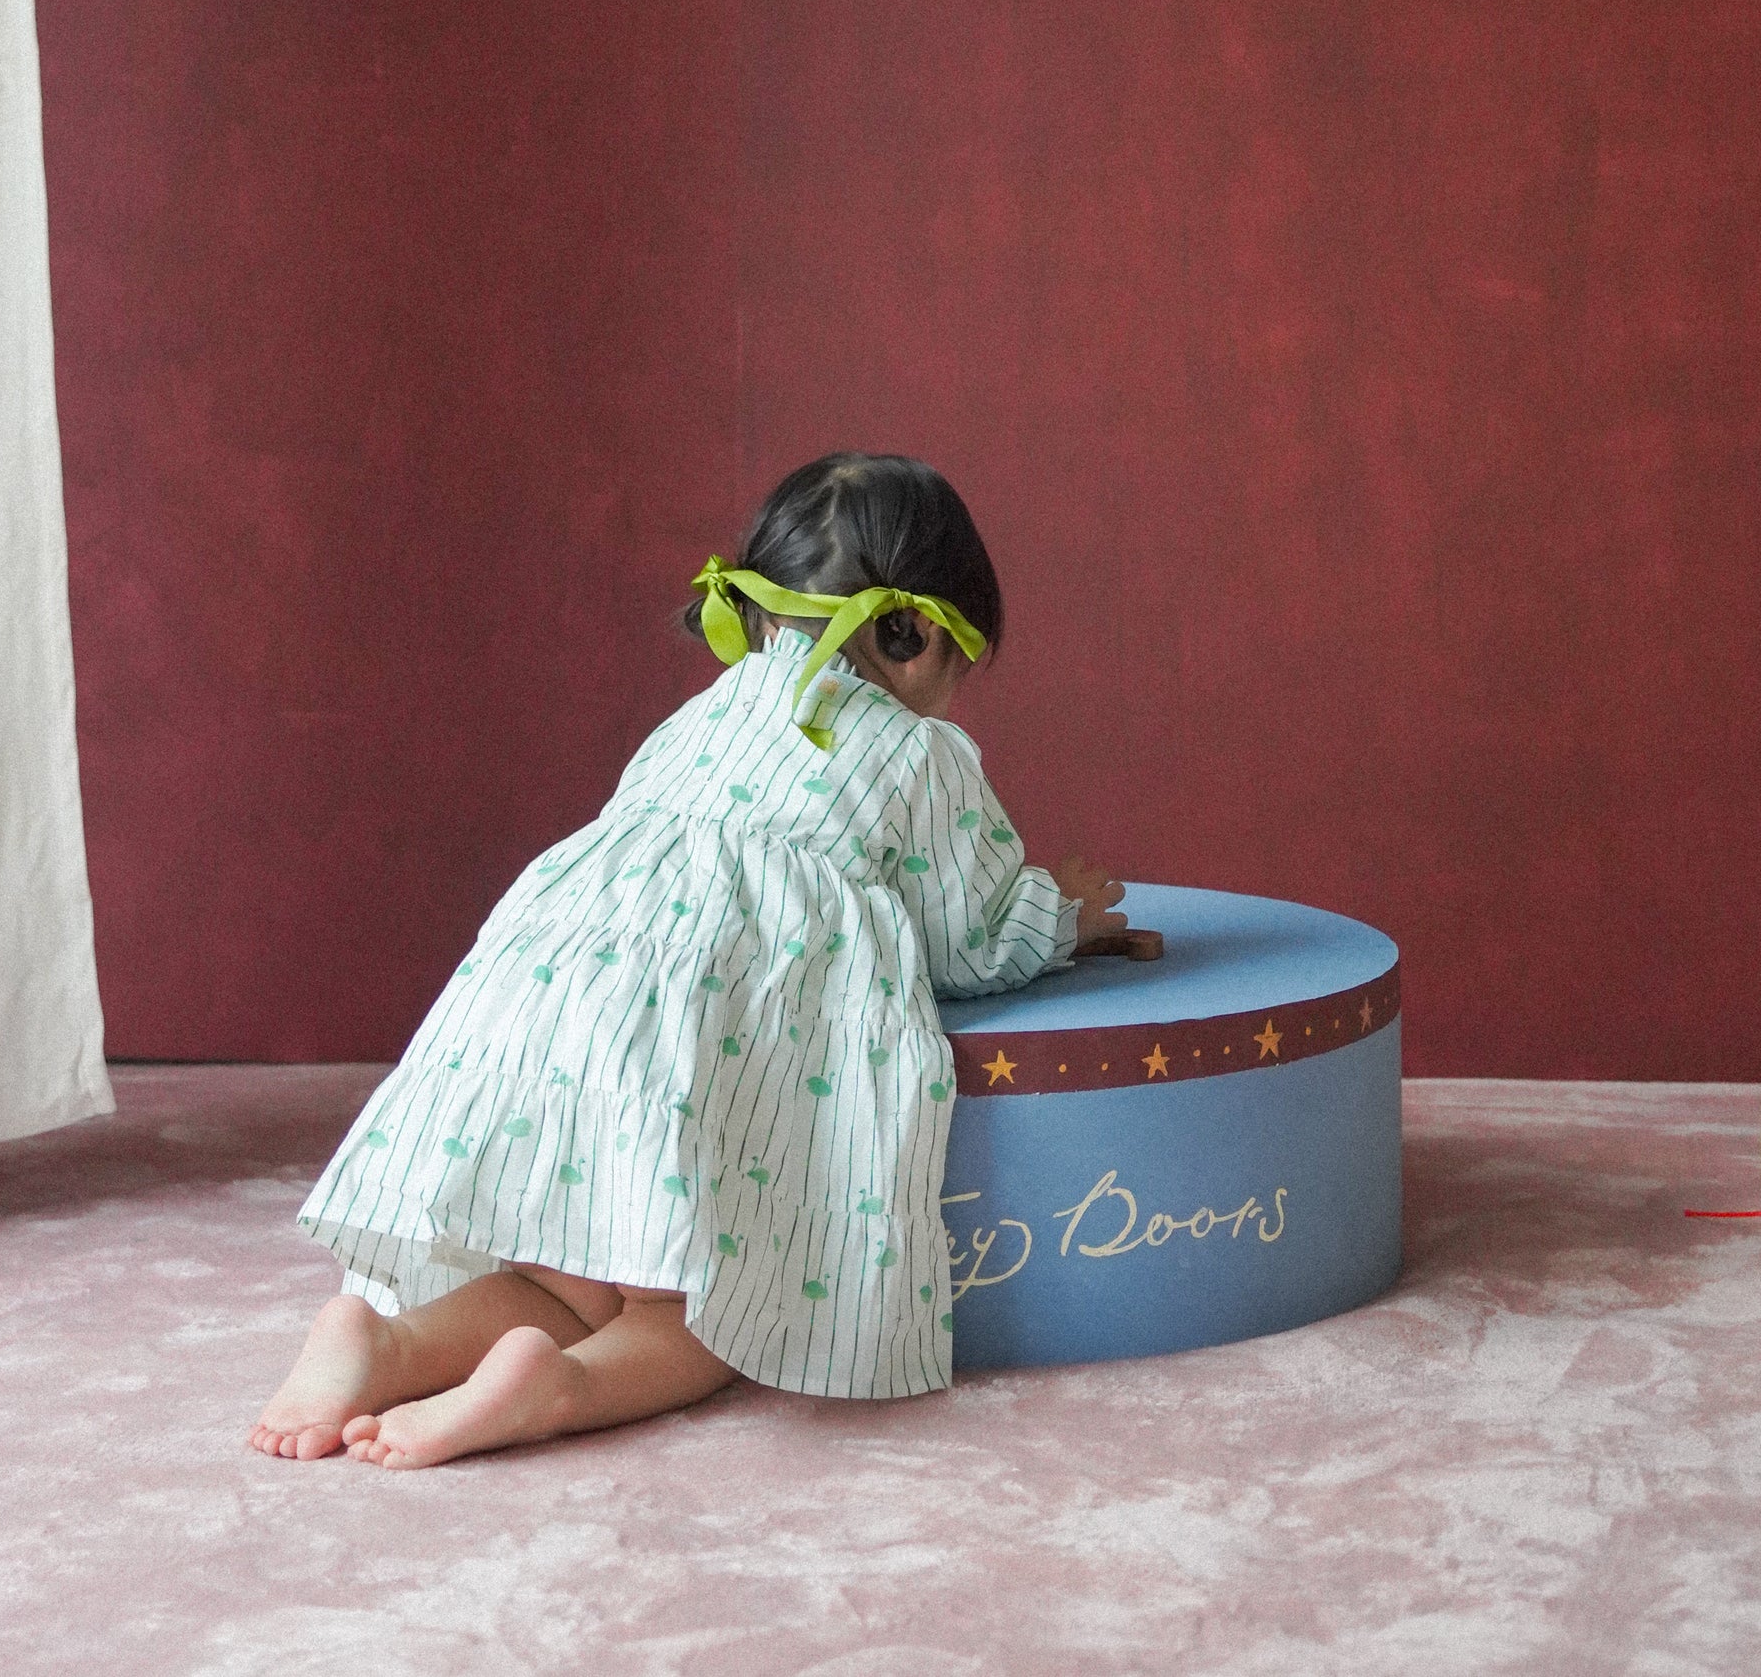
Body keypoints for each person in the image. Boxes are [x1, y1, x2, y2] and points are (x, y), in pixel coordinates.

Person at [249, 451, 1126, 1469]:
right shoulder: (919, 754)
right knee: (711, 1314)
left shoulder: (698, 721)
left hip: (555, 987)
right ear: (921, 635)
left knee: (565, 1280)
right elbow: (966, 941)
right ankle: (556, 1386)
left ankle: (385, 1341)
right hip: (701, 1026)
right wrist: (1060, 916)